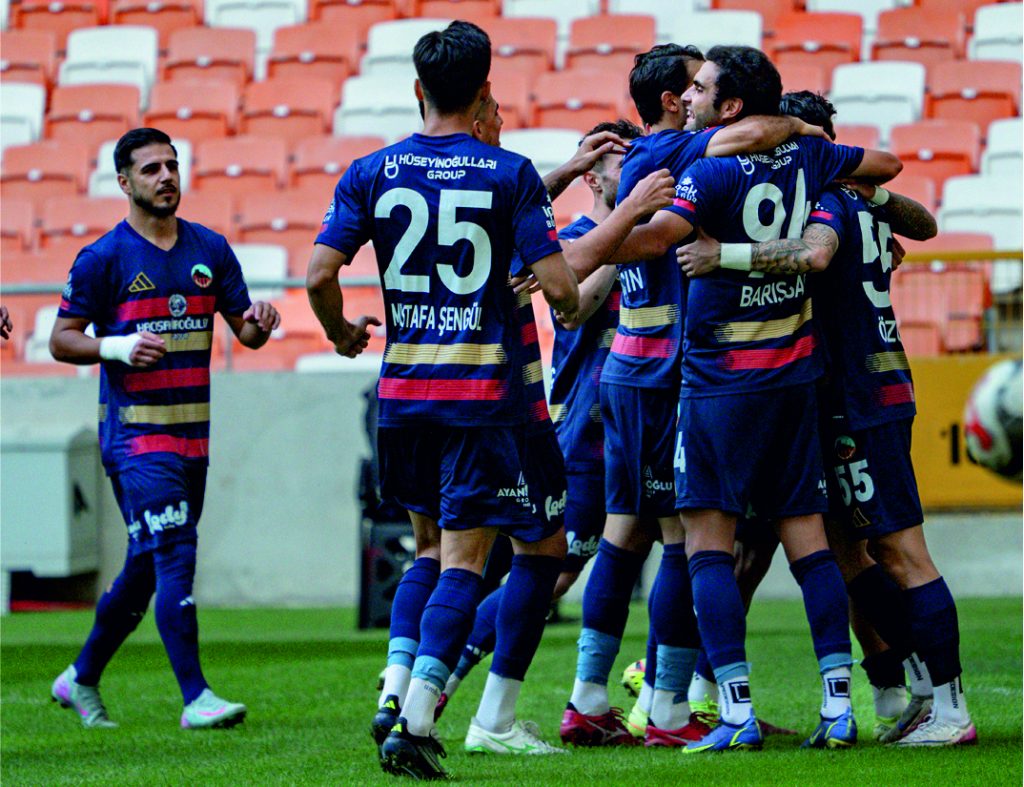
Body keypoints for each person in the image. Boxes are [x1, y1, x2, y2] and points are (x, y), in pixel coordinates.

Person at [307, 21, 670, 778]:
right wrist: (568, 279)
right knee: (484, 560)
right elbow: (568, 296)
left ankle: (400, 687)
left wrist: (343, 330)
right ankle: (425, 720)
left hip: (403, 395)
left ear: (418, 90)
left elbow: (318, 275)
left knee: (438, 552)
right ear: (483, 94)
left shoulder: (370, 171)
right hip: (487, 399)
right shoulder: (506, 176)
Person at [595, 46, 900, 753]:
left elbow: (655, 241)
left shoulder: (709, 170)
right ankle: (839, 705)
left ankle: (731, 709)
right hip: (794, 379)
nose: (690, 96)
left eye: (702, 89)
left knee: (707, 544)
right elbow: (884, 165)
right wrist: (816, 142)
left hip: (718, 384)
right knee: (810, 543)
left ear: (731, 106)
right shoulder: (810, 161)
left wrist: (601, 237)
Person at [679, 90, 976, 749]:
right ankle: (907, 687)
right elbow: (921, 225)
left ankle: (947, 705)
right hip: (852, 388)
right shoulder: (861, 201)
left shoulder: (829, 202)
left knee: (899, 548)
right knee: (842, 549)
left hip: (857, 394)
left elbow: (812, 257)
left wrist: (721, 256)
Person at [48, 127, 280, 730]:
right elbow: (61, 339)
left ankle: (80, 677)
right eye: (150, 169)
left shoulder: (211, 248)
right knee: (177, 549)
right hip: (134, 439)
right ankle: (196, 697)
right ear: (124, 182)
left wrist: (260, 321)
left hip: (192, 437)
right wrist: (118, 346)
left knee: (147, 567)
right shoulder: (103, 258)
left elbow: (245, 333)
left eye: (171, 166)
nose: (165, 177)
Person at [437, 120, 645, 735]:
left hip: (645, 422)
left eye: (631, 158)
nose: (624, 169)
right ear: (590, 175)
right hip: (585, 428)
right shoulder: (576, 238)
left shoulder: (656, 233)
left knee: (659, 548)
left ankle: (642, 690)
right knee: (552, 570)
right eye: (612, 160)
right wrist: (623, 233)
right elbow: (572, 305)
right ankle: (443, 676)